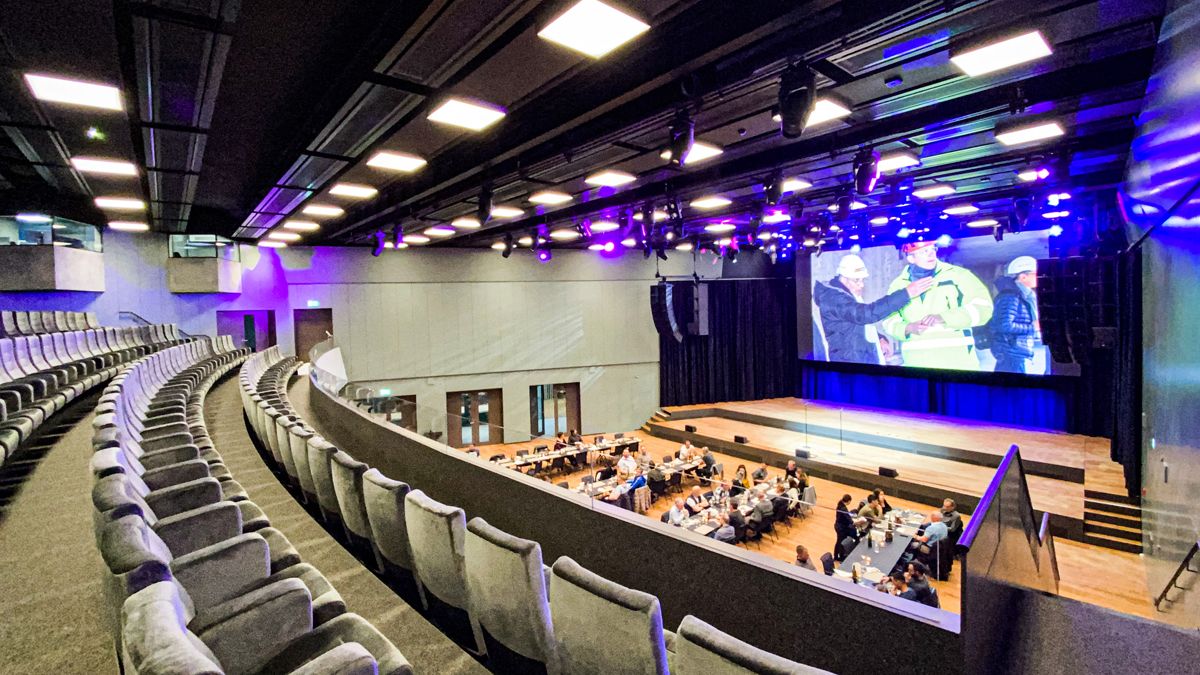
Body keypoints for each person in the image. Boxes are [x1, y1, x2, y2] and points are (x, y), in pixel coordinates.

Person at [882, 239, 994, 371]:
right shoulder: (898, 285)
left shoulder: (958, 275)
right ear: (911, 258)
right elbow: (888, 319)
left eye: (933, 249)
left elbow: (984, 307)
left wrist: (944, 317)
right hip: (916, 365)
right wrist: (907, 327)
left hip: (958, 365)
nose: (931, 254)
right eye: (924, 251)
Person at [815, 253, 937, 365]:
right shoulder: (834, 298)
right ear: (843, 278)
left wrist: (879, 339)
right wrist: (906, 293)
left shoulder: (845, 295)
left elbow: (855, 326)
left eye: (862, 280)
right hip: (851, 369)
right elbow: (865, 315)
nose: (861, 285)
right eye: (856, 280)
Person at [990, 256, 1041, 374]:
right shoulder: (1010, 297)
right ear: (1023, 276)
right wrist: (1033, 327)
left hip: (1015, 352)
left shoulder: (1023, 296)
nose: (1038, 276)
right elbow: (1003, 325)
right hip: (1011, 353)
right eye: (1035, 273)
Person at [834, 493, 859, 561]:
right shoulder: (843, 508)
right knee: (840, 542)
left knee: (839, 541)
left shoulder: (840, 505)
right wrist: (854, 521)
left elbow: (847, 515)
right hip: (841, 528)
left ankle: (837, 555)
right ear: (848, 501)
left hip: (839, 525)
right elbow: (848, 519)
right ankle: (838, 556)